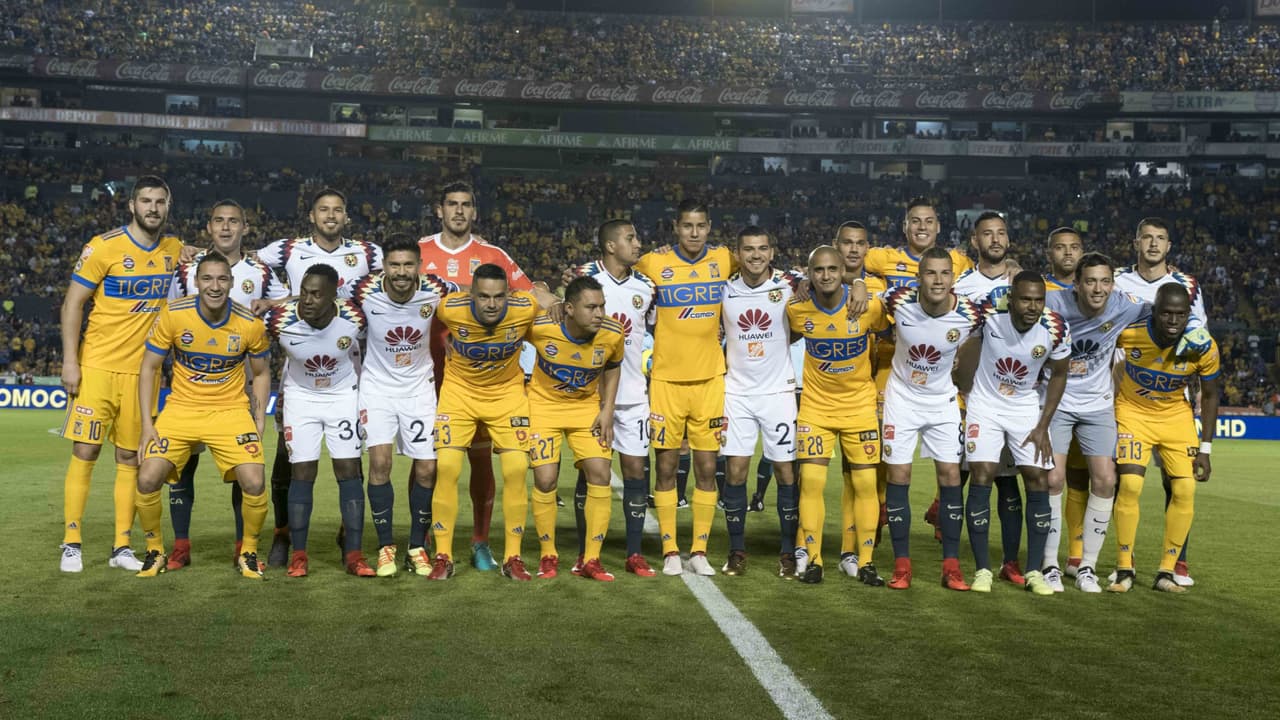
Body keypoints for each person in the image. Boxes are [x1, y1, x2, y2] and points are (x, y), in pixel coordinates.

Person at [251, 188, 383, 567]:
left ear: (347, 216)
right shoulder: (288, 249)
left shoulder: (367, 254)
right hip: (298, 371)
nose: (330, 215)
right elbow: (244, 263)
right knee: (289, 463)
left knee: (348, 466)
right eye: (323, 209)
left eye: (337, 210)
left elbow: (396, 276)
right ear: (311, 215)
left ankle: (350, 541)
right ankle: (286, 538)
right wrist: (277, 302)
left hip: (345, 373)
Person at [58, 175, 182, 573]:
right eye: (145, 200)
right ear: (131, 205)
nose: (152, 208)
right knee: (86, 451)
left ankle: (121, 547)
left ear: (168, 205)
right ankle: (72, 542)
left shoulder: (175, 250)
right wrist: (70, 361)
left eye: (159, 201)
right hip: (96, 366)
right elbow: (73, 304)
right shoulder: (103, 246)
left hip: (143, 375)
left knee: (130, 456)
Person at [131, 252, 272, 579]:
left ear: (232, 283)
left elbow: (262, 372)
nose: (214, 286)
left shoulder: (249, 323)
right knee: (147, 476)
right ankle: (154, 551)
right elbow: (149, 367)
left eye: (222, 279)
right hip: (181, 410)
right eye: (207, 278)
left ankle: (248, 552)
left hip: (230, 411)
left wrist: (259, 414)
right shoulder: (174, 314)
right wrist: (147, 424)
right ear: (196, 282)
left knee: (253, 481)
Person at [164, 199, 288, 571]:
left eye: (234, 221)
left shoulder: (261, 271)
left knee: (243, 469)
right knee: (182, 466)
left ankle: (242, 546)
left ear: (245, 228)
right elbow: (169, 321)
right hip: (192, 388)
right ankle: (181, 546)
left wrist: (271, 305)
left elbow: (289, 309)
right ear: (209, 226)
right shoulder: (188, 269)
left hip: (242, 389)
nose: (226, 227)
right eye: (219, 220)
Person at [418, 181, 535, 572]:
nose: (458, 211)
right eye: (451, 204)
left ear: (475, 211)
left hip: (485, 377)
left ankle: (481, 542)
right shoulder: (418, 253)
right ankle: (423, 542)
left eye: (466, 204)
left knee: (485, 463)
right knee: (429, 465)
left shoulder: (492, 255)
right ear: (439, 210)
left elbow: (532, 296)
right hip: (422, 376)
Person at [633, 199, 735, 577]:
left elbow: (766, 269)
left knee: (708, 466)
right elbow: (612, 269)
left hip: (710, 379)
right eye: (687, 226)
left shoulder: (725, 259)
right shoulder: (653, 262)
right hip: (665, 381)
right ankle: (670, 550)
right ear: (675, 228)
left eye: (701, 226)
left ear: (710, 227)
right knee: (666, 465)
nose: (694, 233)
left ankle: (700, 550)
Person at [952, 271, 1070, 596]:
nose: (1032, 306)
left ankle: (1033, 570)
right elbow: (957, 323)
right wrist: (963, 386)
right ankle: (982, 571)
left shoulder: (1056, 328)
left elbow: (1060, 374)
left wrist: (1043, 425)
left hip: (1024, 409)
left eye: (1038, 300)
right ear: (1012, 298)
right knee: (982, 474)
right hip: (985, 406)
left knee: (1037, 477)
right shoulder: (990, 315)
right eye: (1025, 299)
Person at [1042, 253, 1151, 593]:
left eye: (1105, 281)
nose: (1098, 288)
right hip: (1056, 401)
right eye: (1090, 281)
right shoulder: (1052, 302)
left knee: (1106, 480)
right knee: (1053, 478)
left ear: (1112, 284)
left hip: (1098, 405)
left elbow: (1167, 308)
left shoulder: (1125, 305)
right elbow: (1011, 302)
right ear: (1076, 285)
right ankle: (1049, 565)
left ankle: (1086, 566)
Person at [880, 247, 985, 591]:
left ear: (953, 279)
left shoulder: (969, 312)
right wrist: (861, 288)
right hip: (902, 398)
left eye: (944, 274)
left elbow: (1003, 316)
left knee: (951, 475)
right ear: (918, 277)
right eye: (930, 273)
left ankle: (951, 567)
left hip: (941, 400)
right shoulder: (897, 301)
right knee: (899, 473)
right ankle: (902, 565)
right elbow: (864, 293)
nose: (937, 280)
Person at [351, 234, 455, 576]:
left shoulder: (435, 287)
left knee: (427, 469)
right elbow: (318, 297)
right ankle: (385, 547)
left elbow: (473, 290)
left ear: (419, 266)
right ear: (384, 266)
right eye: (394, 264)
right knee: (379, 463)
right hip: (377, 389)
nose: (401, 271)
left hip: (420, 390)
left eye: (408, 264)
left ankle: (416, 546)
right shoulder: (362, 289)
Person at [428, 263, 540, 581]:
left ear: (509, 295)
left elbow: (542, 297)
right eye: (484, 297)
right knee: (447, 467)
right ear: (471, 295)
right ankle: (443, 556)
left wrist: (553, 300)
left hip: (507, 395)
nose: (492, 304)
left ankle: (513, 557)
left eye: (499, 297)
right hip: (459, 393)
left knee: (516, 470)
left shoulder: (524, 308)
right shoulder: (450, 307)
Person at [1112, 217, 1207, 587]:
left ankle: (1176, 564)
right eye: (1147, 238)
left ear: (1169, 246)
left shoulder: (1187, 285)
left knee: (1178, 484)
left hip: (1174, 399)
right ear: (1136, 242)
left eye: (1160, 239)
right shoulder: (1117, 280)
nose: (1153, 244)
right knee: (1126, 481)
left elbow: (1199, 337)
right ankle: (1125, 559)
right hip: (1127, 396)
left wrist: (1193, 390)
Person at [787, 246, 889, 585]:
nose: (826, 275)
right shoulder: (797, 310)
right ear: (810, 274)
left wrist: (861, 284)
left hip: (859, 407)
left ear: (843, 270)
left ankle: (866, 562)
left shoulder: (868, 306)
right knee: (812, 482)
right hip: (815, 408)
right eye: (819, 270)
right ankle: (814, 560)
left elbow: (892, 333)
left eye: (833, 269)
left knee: (864, 483)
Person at [264, 265, 371, 578]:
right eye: (304, 292)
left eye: (315, 294)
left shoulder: (355, 318)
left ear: (333, 296)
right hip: (301, 397)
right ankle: (299, 554)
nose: (307, 300)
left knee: (349, 470)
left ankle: (354, 553)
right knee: (302, 471)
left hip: (342, 396)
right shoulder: (278, 319)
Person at [573, 220, 659, 576]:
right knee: (593, 473)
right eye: (630, 238)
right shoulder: (585, 278)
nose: (638, 244)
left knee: (636, 471)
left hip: (634, 394)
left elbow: (653, 330)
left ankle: (634, 552)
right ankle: (585, 552)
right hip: (593, 397)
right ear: (610, 246)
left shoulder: (648, 287)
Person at [527, 276, 624, 582]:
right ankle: (548, 555)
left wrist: (607, 409)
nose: (599, 313)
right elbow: (524, 294)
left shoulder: (612, 332)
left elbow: (612, 366)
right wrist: (544, 294)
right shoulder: (542, 327)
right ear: (569, 308)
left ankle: (591, 559)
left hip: (586, 409)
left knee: (601, 473)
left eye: (602, 306)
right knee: (545, 479)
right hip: (542, 407)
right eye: (591, 307)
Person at [951, 211, 1027, 586]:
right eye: (987, 234)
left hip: (1013, 399)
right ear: (974, 242)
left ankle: (1009, 562)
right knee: (974, 476)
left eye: (1001, 233)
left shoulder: (1024, 284)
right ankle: (973, 562)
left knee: (1009, 482)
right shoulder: (962, 286)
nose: (995, 240)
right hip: (972, 400)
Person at [719, 227, 797, 577]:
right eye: (748, 249)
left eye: (762, 248)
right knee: (735, 473)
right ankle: (736, 550)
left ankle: (787, 551)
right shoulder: (723, 288)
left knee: (785, 471)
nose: (756, 255)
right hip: (735, 393)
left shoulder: (791, 285)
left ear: (772, 251)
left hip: (779, 392)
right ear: (738, 253)